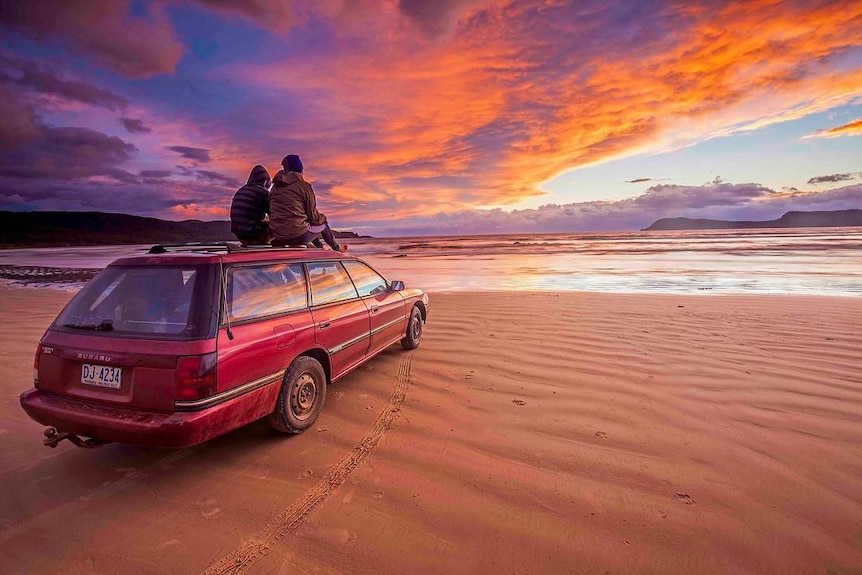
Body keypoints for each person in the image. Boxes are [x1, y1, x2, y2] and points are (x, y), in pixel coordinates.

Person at [269, 154, 346, 251]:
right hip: (297, 234)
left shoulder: (274, 189)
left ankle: (320, 248)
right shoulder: (304, 187)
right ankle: (337, 249)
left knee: (308, 225)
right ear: (300, 169)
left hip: (278, 235)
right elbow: (313, 218)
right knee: (323, 225)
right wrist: (323, 217)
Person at [230, 165, 272, 246]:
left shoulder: (241, 190)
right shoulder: (262, 193)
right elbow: (274, 213)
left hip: (237, 232)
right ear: (265, 181)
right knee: (279, 224)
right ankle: (265, 247)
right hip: (251, 231)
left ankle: (248, 243)